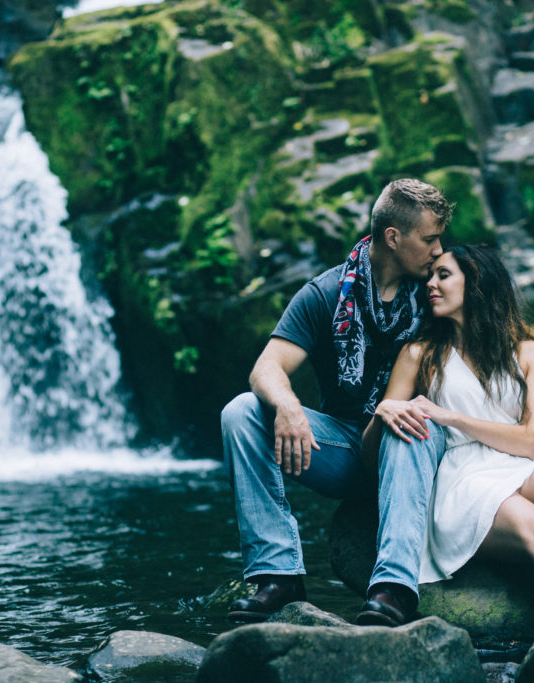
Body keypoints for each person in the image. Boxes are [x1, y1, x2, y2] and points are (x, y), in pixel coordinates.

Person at [221, 179, 453, 623]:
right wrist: (288, 407)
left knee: (409, 418)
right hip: (346, 451)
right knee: (241, 412)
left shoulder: (438, 290)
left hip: (418, 451)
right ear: (393, 238)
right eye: (429, 239)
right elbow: (265, 369)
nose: (439, 250)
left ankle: (393, 589)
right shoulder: (325, 294)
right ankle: (279, 576)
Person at [357, 245, 534, 625]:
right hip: (464, 483)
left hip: (520, 473)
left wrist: (451, 417)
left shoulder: (529, 351)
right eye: (430, 276)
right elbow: (372, 459)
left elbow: (531, 442)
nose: (430, 284)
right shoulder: (419, 354)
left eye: (443, 275)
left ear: (476, 283)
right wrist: (381, 414)